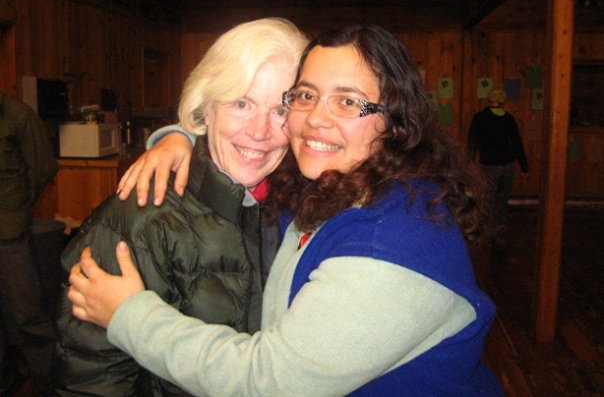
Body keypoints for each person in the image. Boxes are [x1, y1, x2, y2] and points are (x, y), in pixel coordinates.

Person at [67, 24, 503, 396]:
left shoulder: (392, 235)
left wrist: (130, 315)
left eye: (349, 102)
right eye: (306, 96)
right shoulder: (310, 189)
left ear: (394, 118)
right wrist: (176, 136)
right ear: (205, 110)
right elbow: (89, 370)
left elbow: (268, 380)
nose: (314, 119)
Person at [53, 18, 308, 396]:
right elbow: (91, 375)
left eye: (280, 111)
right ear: (205, 109)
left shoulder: (301, 204)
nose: (259, 131)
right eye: (241, 103)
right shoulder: (145, 212)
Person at [0, 92, 58, 396]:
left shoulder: (17, 115)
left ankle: (53, 387)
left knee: (28, 318)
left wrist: (18, 207)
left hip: (9, 232)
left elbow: (44, 166)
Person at [468, 88, 528, 249]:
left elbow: (472, 141)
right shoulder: (509, 119)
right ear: (503, 102)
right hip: (508, 164)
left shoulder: (480, 118)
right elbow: (516, 142)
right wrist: (524, 164)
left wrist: (469, 162)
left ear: (489, 100)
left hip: (489, 164)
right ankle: (500, 227)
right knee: (502, 198)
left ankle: (489, 229)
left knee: (488, 197)